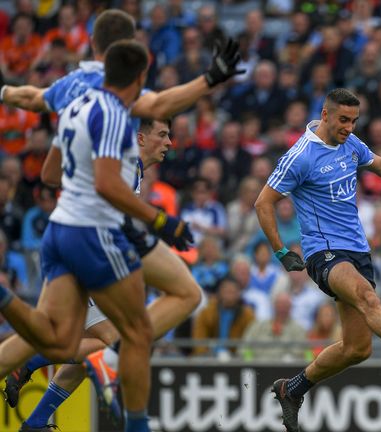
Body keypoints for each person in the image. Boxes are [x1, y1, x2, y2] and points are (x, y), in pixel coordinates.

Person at [0, 8, 241, 422]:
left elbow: (44, 154)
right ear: (133, 58)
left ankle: (38, 415)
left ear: (94, 45)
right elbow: (154, 114)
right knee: (141, 328)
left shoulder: (71, 89)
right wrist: (160, 221)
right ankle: (134, 420)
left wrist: (3, 92)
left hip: (64, 229)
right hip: (94, 233)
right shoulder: (115, 107)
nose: (166, 140)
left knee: (53, 343)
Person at [254, 88, 381, 432]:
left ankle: (292, 389)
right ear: (326, 114)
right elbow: (263, 203)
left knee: (358, 348)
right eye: (343, 120)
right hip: (324, 252)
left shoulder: (349, 142)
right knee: (367, 298)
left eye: (354, 121)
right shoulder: (300, 156)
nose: (349, 127)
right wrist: (281, 251)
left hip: (357, 250)